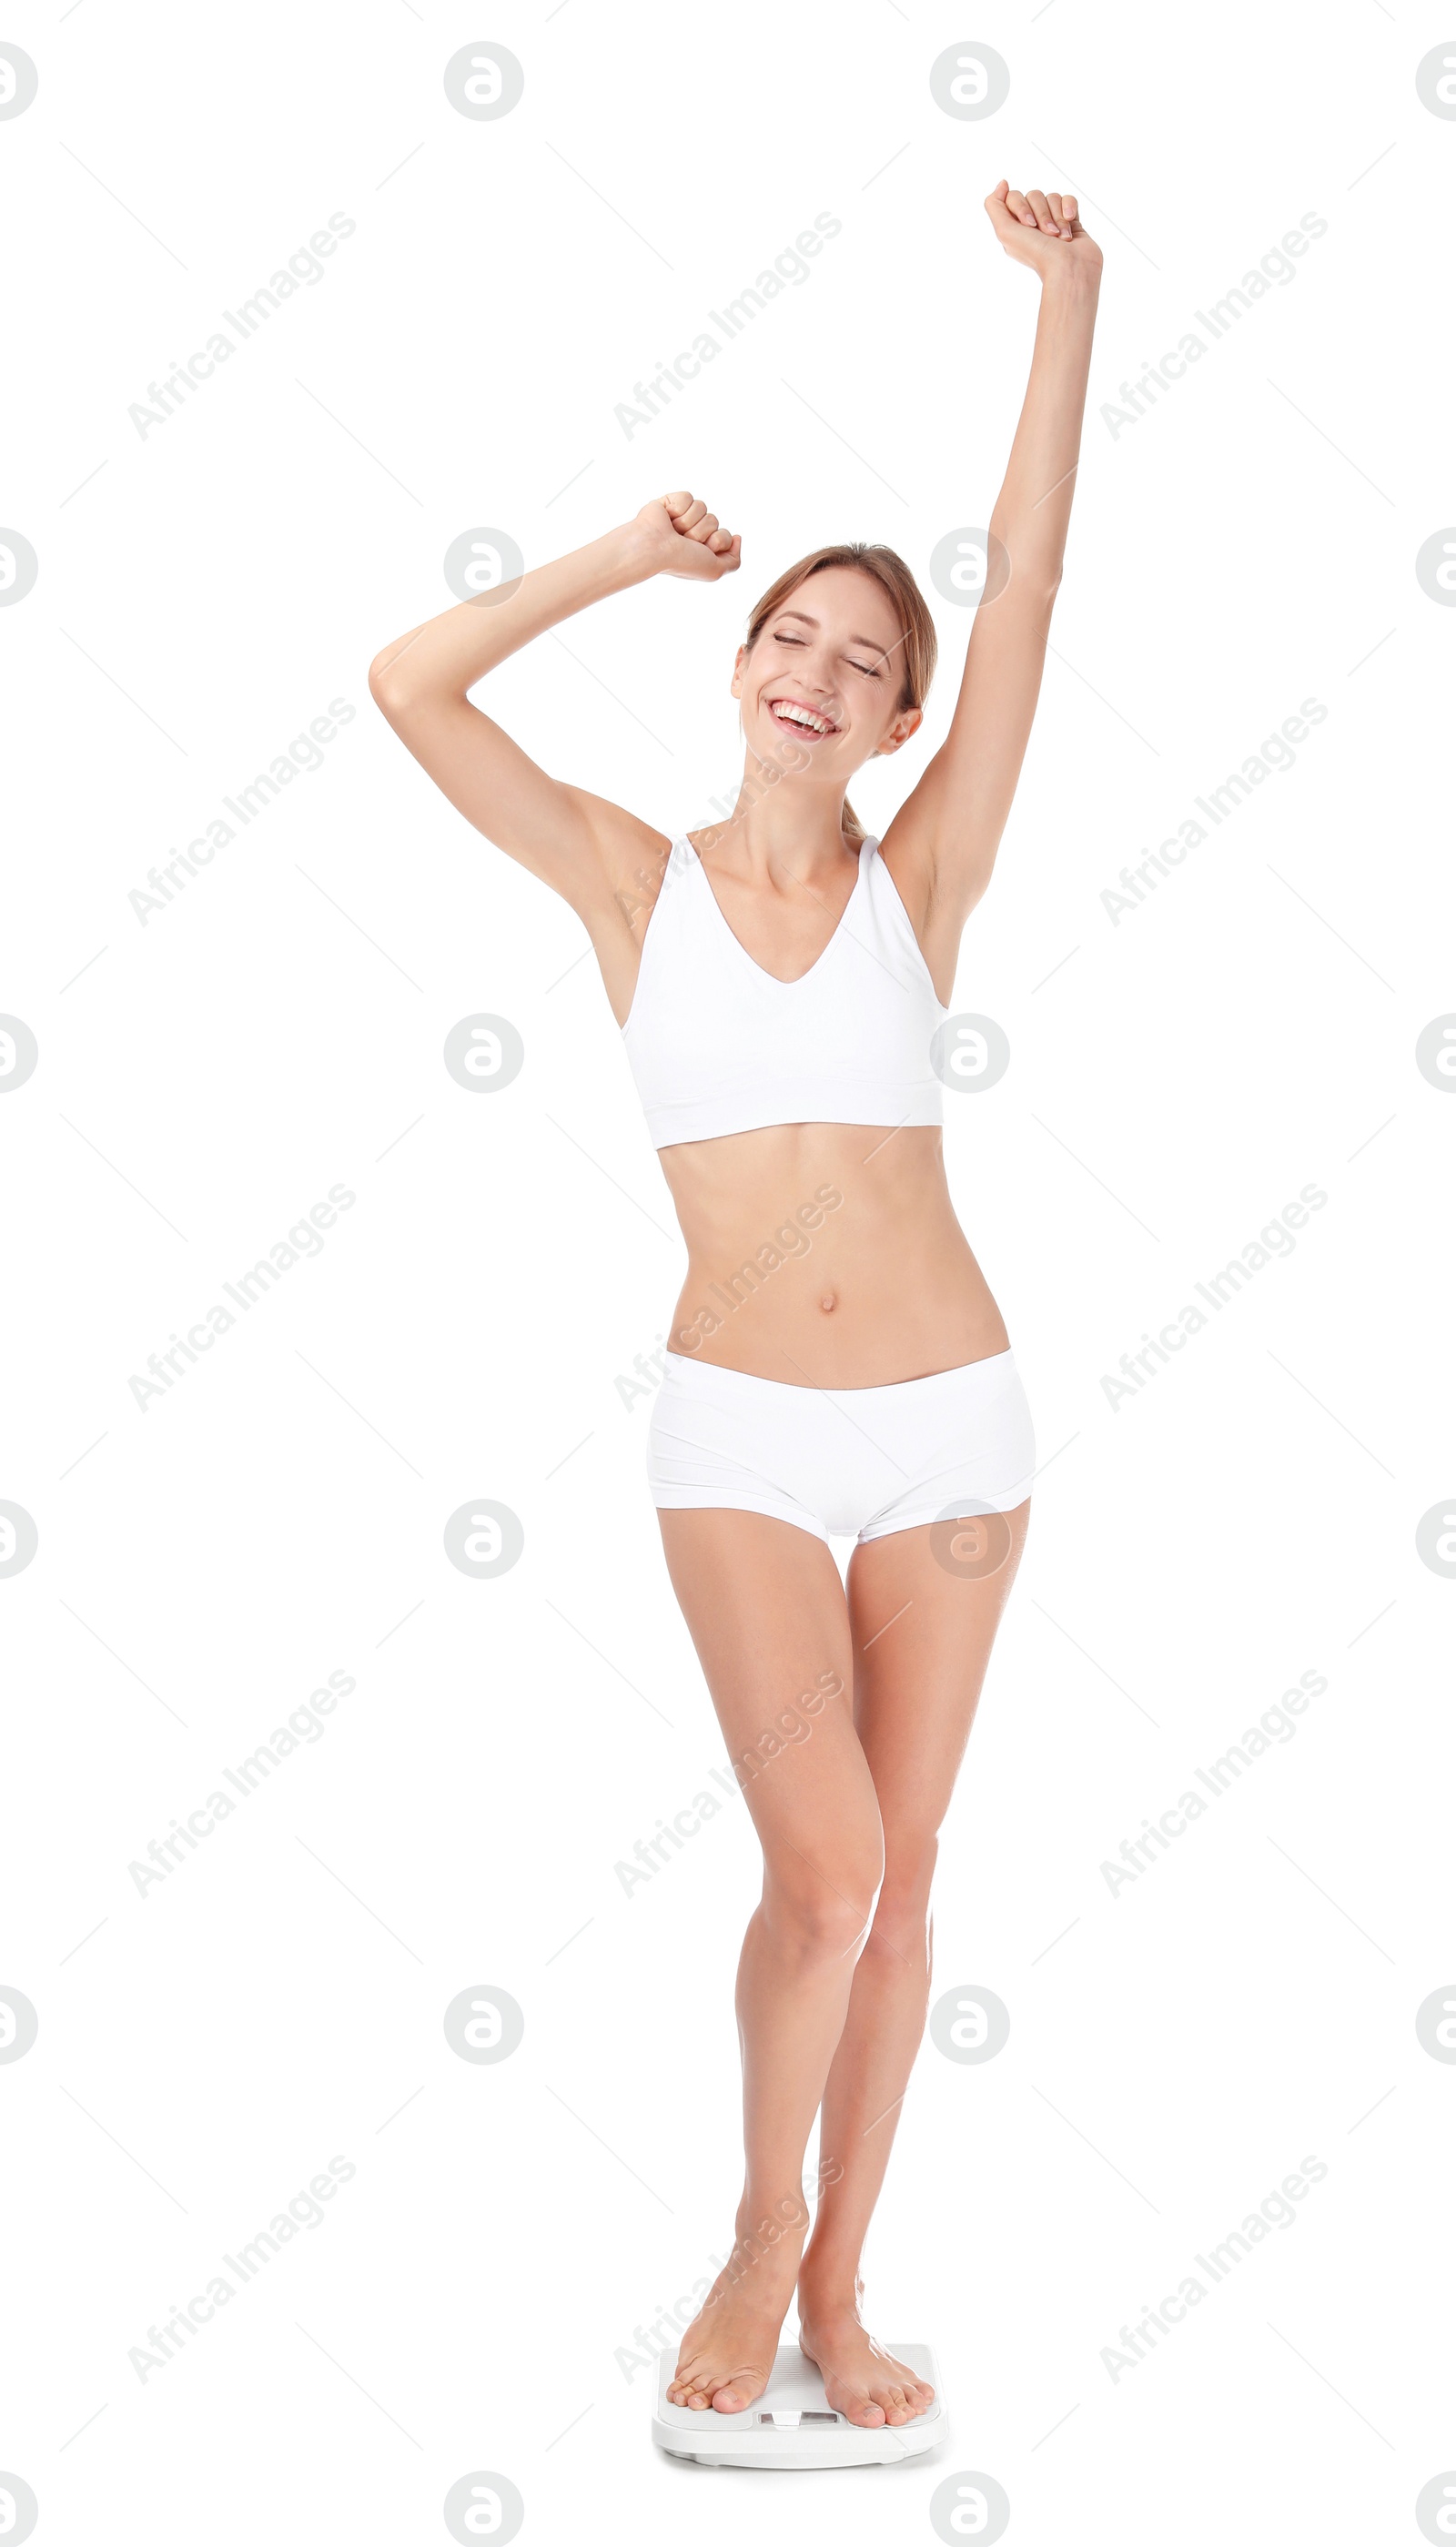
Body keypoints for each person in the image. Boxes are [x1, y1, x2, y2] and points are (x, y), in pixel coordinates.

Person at [369, 180, 1101, 2431]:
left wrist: (1070, 302)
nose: (824, 672)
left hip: (954, 1425)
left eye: (869, 663)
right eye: (792, 635)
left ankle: (847, 2288)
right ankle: (754, 2227)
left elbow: (1035, 577)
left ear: (898, 723)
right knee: (828, 1867)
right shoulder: (628, 878)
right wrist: (619, 553)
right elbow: (407, 685)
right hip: (740, 1440)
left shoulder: (923, 877)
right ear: (740, 665)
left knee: (906, 1888)